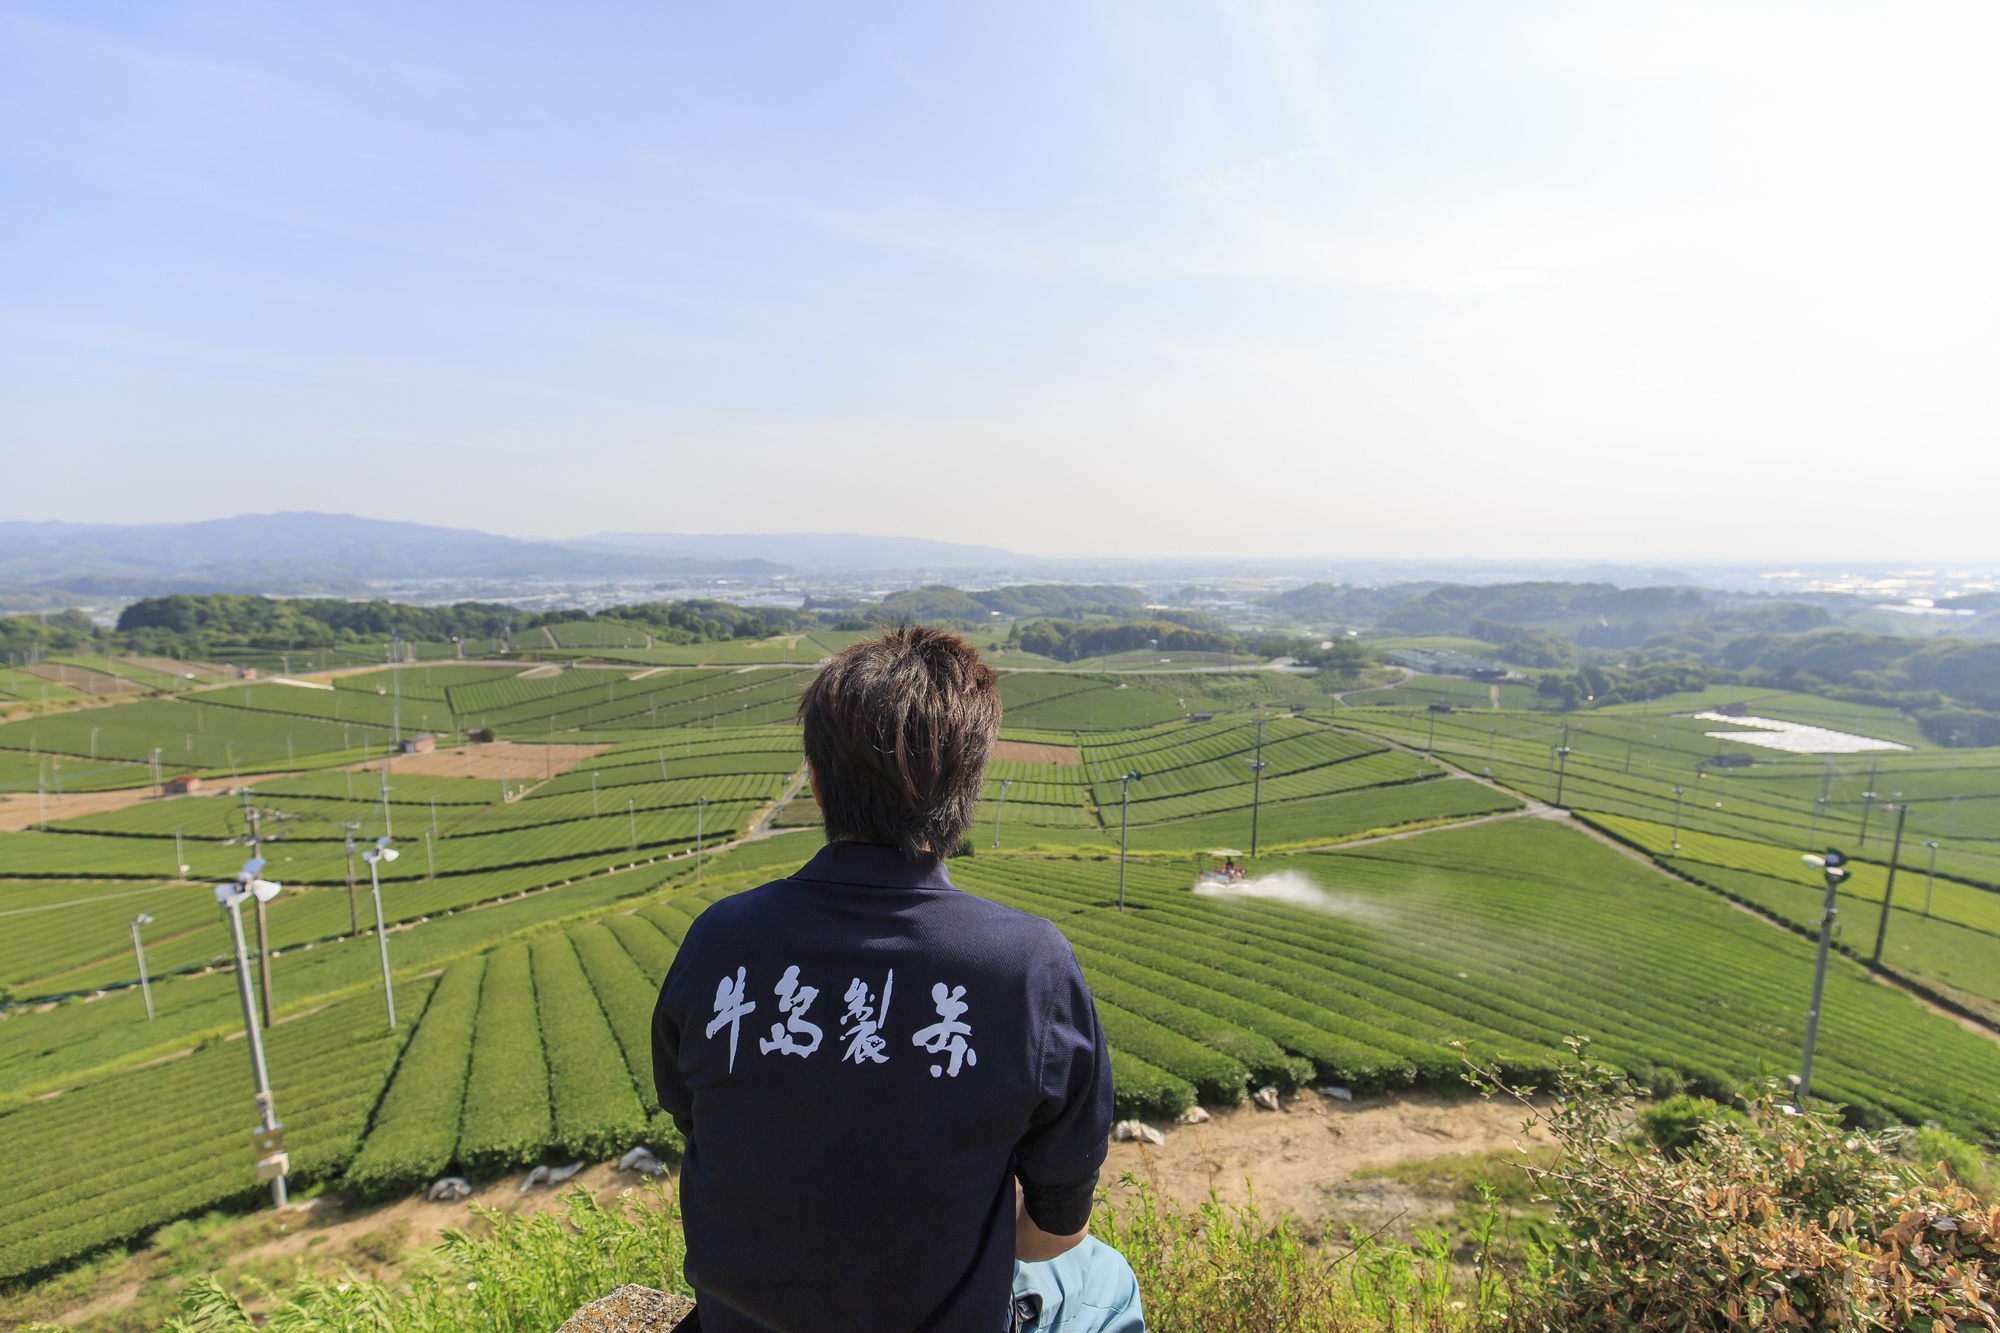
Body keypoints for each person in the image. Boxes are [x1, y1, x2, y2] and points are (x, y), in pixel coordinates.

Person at [652, 628, 1143, 1333]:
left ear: (817, 782)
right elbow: (1055, 1231)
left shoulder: (718, 940)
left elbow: (697, 1121)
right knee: (1104, 1280)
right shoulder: (1028, 966)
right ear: (969, 787)